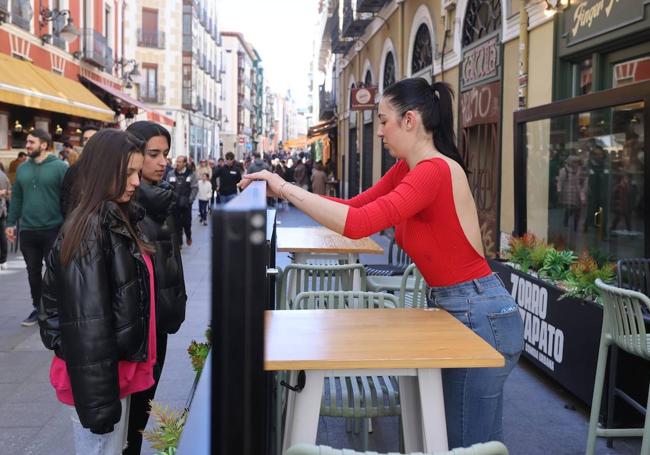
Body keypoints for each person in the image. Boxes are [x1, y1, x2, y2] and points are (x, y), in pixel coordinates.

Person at [240, 77, 524, 449]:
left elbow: (357, 225)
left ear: (410, 120)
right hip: (461, 308)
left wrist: (284, 188)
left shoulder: (433, 171)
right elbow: (354, 209)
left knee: (466, 443)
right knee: (463, 440)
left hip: (478, 312)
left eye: (384, 119)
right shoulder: (409, 168)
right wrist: (288, 190)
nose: (380, 131)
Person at [38, 129, 154, 455]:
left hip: (114, 372)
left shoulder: (116, 217)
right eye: (128, 172)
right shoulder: (91, 228)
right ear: (104, 171)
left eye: (137, 171)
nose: (136, 181)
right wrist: (100, 405)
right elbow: (88, 325)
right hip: (101, 381)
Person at [124, 121, 187, 455]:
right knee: (132, 415)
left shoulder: (160, 199)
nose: (163, 161)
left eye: (165, 153)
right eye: (154, 154)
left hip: (157, 321)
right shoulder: (128, 204)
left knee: (142, 410)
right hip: (137, 328)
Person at [6, 129, 68, 327]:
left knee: (54, 271)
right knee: (32, 272)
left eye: (31, 142)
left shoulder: (60, 167)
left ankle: (55, 308)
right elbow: (16, 197)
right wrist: (10, 223)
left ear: (44, 144)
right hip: (28, 230)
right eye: (27, 141)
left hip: (53, 228)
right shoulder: (23, 169)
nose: (27, 145)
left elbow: (68, 198)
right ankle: (37, 307)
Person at [61, 126, 98, 217]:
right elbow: (65, 198)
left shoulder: (110, 167)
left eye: (92, 138)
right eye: (85, 139)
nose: (88, 142)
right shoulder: (74, 170)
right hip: (77, 224)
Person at [165, 155, 198, 246]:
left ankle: (188, 235)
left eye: (179, 162)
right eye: (177, 162)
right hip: (174, 204)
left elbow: (195, 188)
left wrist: (190, 200)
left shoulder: (191, 174)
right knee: (176, 223)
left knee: (187, 223)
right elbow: (167, 187)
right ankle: (179, 242)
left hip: (186, 204)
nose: (177, 164)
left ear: (184, 163)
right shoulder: (170, 173)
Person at [0, 167, 10, 270]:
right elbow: (9, 192)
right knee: (2, 235)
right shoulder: (3, 175)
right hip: (2, 210)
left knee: (2, 236)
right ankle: (3, 260)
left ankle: (3, 260)